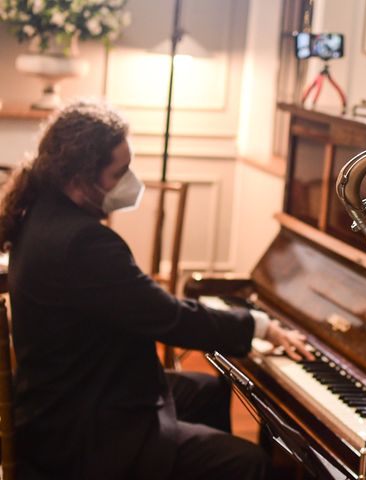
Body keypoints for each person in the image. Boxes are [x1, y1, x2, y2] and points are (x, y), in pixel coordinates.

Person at [0, 100, 314, 480]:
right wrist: (258, 326)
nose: (131, 180)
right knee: (251, 465)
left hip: (72, 395)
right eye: (120, 172)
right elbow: (167, 317)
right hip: (85, 431)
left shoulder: (41, 210)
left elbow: (147, 306)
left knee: (208, 390)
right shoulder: (82, 242)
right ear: (81, 178)